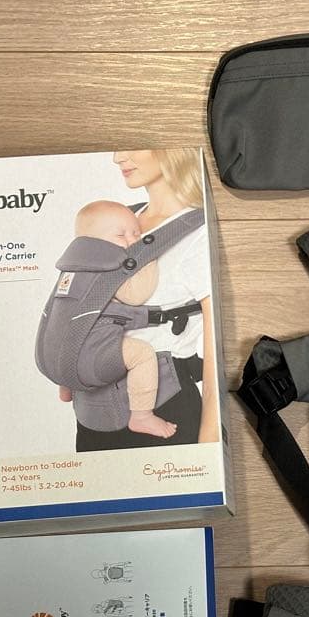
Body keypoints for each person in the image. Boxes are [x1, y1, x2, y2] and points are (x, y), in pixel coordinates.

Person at [75, 149, 219, 451]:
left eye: (132, 146)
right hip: (94, 409)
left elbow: (214, 355)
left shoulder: (198, 233)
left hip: (163, 405)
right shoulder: (117, 220)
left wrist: (210, 446)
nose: (118, 157)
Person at [57, 200, 178, 438]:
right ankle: (142, 416)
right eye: (121, 235)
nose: (133, 241)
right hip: (93, 347)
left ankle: (66, 389)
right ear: (93, 243)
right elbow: (136, 295)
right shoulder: (106, 269)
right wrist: (149, 259)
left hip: (67, 348)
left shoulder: (72, 268)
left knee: (66, 344)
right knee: (142, 355)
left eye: (136, 233)